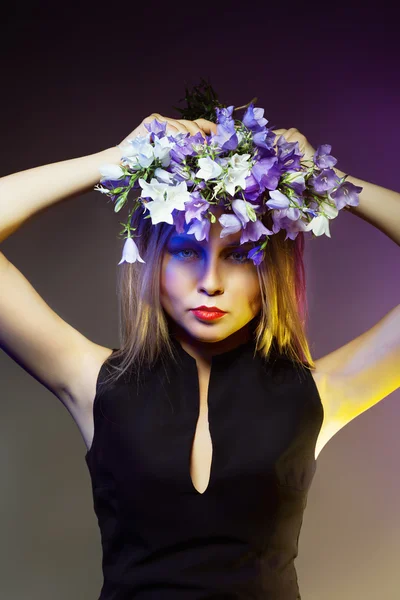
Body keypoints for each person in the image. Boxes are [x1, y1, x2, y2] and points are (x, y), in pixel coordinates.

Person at [0, 112, 399, 599]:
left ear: (270, 270)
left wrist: (328, 182)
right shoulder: (96, 384)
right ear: (153, 263)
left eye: (237, 255)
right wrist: (112, 162)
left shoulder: (319, 394)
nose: (210, 282)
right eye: (187, 251)